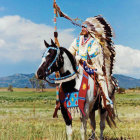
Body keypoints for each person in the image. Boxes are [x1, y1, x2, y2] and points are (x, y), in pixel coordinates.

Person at [69, 17, 113, 108]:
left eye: (84, 27)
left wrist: (82, 58)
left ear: (89, 29)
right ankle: (63, 99)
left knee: (101, 77)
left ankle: (106, 99)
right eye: (82, 27)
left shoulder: (94, 42)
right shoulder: (77, 40)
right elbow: (71, 51)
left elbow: (94, 54)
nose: (82, 29)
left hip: (90, 65)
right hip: (77, 64)